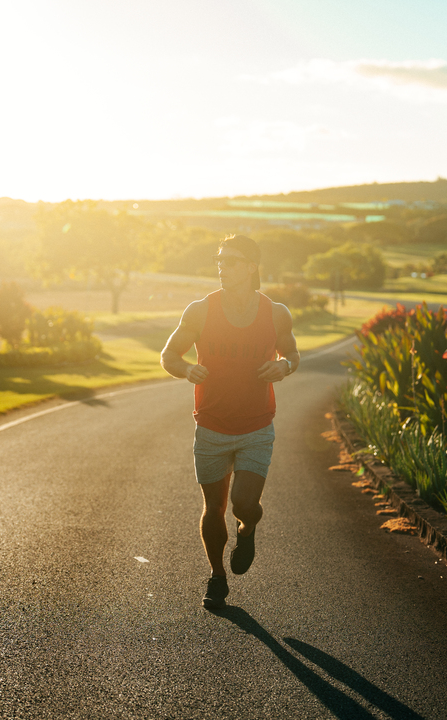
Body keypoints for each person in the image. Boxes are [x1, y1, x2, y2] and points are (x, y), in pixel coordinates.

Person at [160, 234, 300, 610]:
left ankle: (248, 528)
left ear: (251, 267)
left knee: (244, 504)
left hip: (257, 426)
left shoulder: (276, 313)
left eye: (231, 260)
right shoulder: (200, 310)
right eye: (219, 259)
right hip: (211, 425)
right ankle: (217, 576)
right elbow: (169, 355)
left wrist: (284, 366)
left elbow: (292, 354)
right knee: (214, 507)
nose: (222, 266)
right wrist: (186, 369)